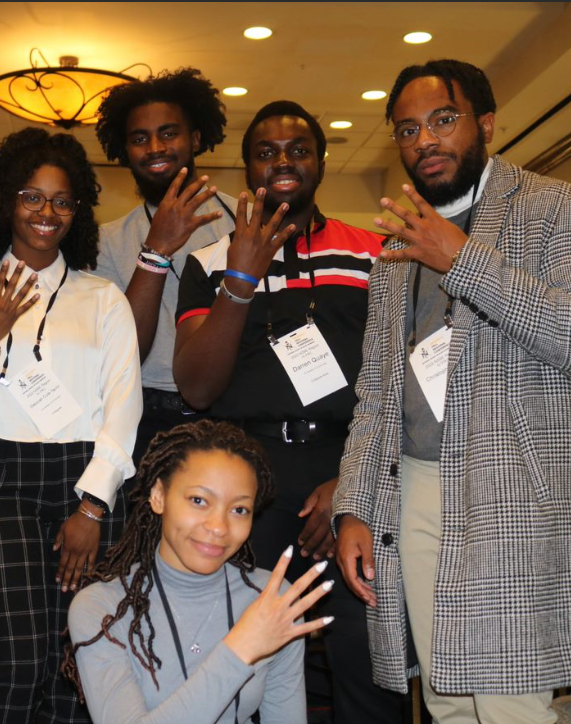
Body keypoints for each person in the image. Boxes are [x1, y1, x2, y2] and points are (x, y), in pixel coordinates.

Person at [333, 59, 571, 723]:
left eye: (442, 120)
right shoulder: (394, 251)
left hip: (512, 500)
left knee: (508, 704)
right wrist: (355, 506)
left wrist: (462, 259)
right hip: (413, 491)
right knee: (448, 701)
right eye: (408, 130)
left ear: (485, 123)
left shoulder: (561, 209)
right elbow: (376, 397)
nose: (424, 141)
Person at [173, 102, 405, 722]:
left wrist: (350, 484)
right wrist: (240, 281)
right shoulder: (208, 261)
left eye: (298, 150)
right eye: (267, 151)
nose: (283, 162)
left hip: (348, 473)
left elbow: (399, 384)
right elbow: (196, 386)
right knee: (243, 659)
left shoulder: (375, 255)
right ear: (247, 166)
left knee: (364, 657)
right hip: (249, 481)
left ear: (321, 162)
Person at [0, 127, 141, 724]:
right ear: (6, 202)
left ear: (78, 213)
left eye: (62, 201)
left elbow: (123, 407)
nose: (46, 212)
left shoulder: (104, 299)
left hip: (91, 484)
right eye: (32, 197)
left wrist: (92, 506)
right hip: (2, 480)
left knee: (83, 662)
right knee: (20, 661)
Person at [64, 420, 333, 723]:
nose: (218, 527)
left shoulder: (273, 598)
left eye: (239, 509)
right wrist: (241, 647)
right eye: (199, 501)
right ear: (159, 495)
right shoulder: (100, 607)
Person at [93, 68, 237, 464]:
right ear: (125, 150)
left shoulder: (243, 218)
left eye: (168, 133)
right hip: (145, 415)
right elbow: (125, 351)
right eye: (139, 139)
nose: (155, 147)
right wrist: (156, 248)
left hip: (235, 406)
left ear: (194, 139)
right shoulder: (108, 240)